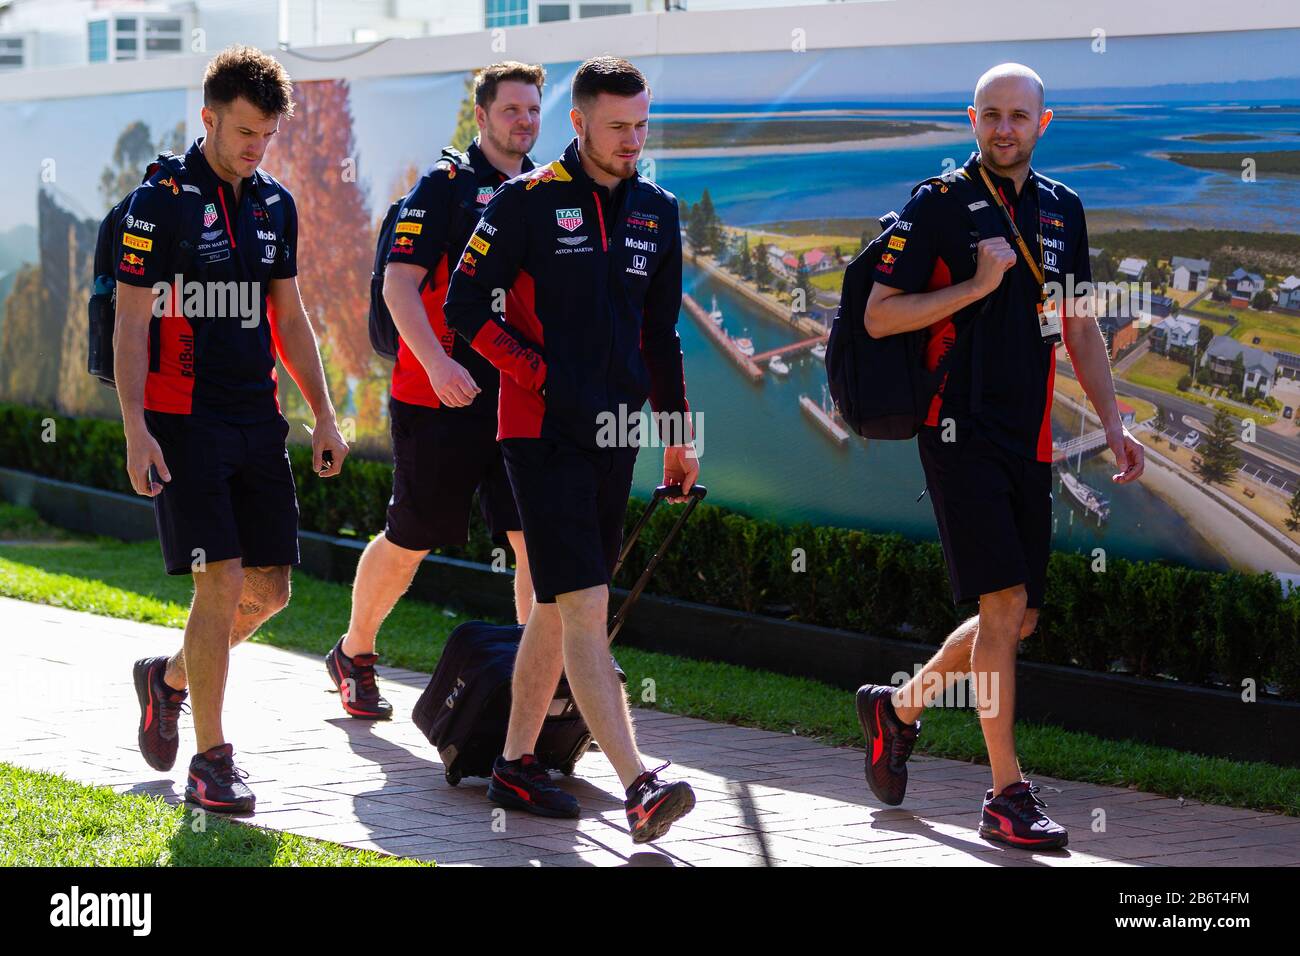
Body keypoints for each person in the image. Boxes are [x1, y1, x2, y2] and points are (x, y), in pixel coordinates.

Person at [855, 63, 1145, 850]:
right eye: (991, 114)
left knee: (1014, 619)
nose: (1004, 127)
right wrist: (976, 286)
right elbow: (881, 316)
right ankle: (1004, 794)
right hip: (957, 431)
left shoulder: (1062, 209)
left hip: (1031, 434)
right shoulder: (939, 204)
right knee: (1001, 604)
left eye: (1019, 115)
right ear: (971, 118)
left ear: (1043, 123)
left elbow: (1080, 326)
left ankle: (898, 707)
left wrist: (1115, 423)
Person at [443, 56, 700, 844]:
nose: (633, 140)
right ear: (579, 123)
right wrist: (539, 374)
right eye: (619, 127)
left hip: (617, 436)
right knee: (586, 605)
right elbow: (464, 304)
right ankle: (639, 783)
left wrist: (679, 436)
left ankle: (517, 760)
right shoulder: (525, 202)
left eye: (642, 125)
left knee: (555, 608)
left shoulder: (657, 210)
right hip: (539, 434)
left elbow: (661, 337)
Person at [122, 45, 349, 814]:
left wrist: (320, 410)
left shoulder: (273, 203)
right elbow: (127, 325)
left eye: (268, 136)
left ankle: (170, 679)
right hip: (181, 420)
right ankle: (212, 762)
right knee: (216, 578)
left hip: (258, 417)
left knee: (270, 591)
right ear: (209, 117)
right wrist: (134, 428)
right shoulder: (159, 203)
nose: (257, 148)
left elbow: (289, 314)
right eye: (246, 132)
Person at [323, 62, 545, 721]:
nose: (524, 121)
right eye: (511, 110)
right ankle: (354, 651)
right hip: (435, 397)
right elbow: (398, 286)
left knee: (534, 538)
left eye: (533, 109)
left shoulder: (543, 191)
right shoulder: (443, 188)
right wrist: (442, 368)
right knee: (412, 536)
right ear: (481, 117)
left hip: (517, 401)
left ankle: (534, 685)